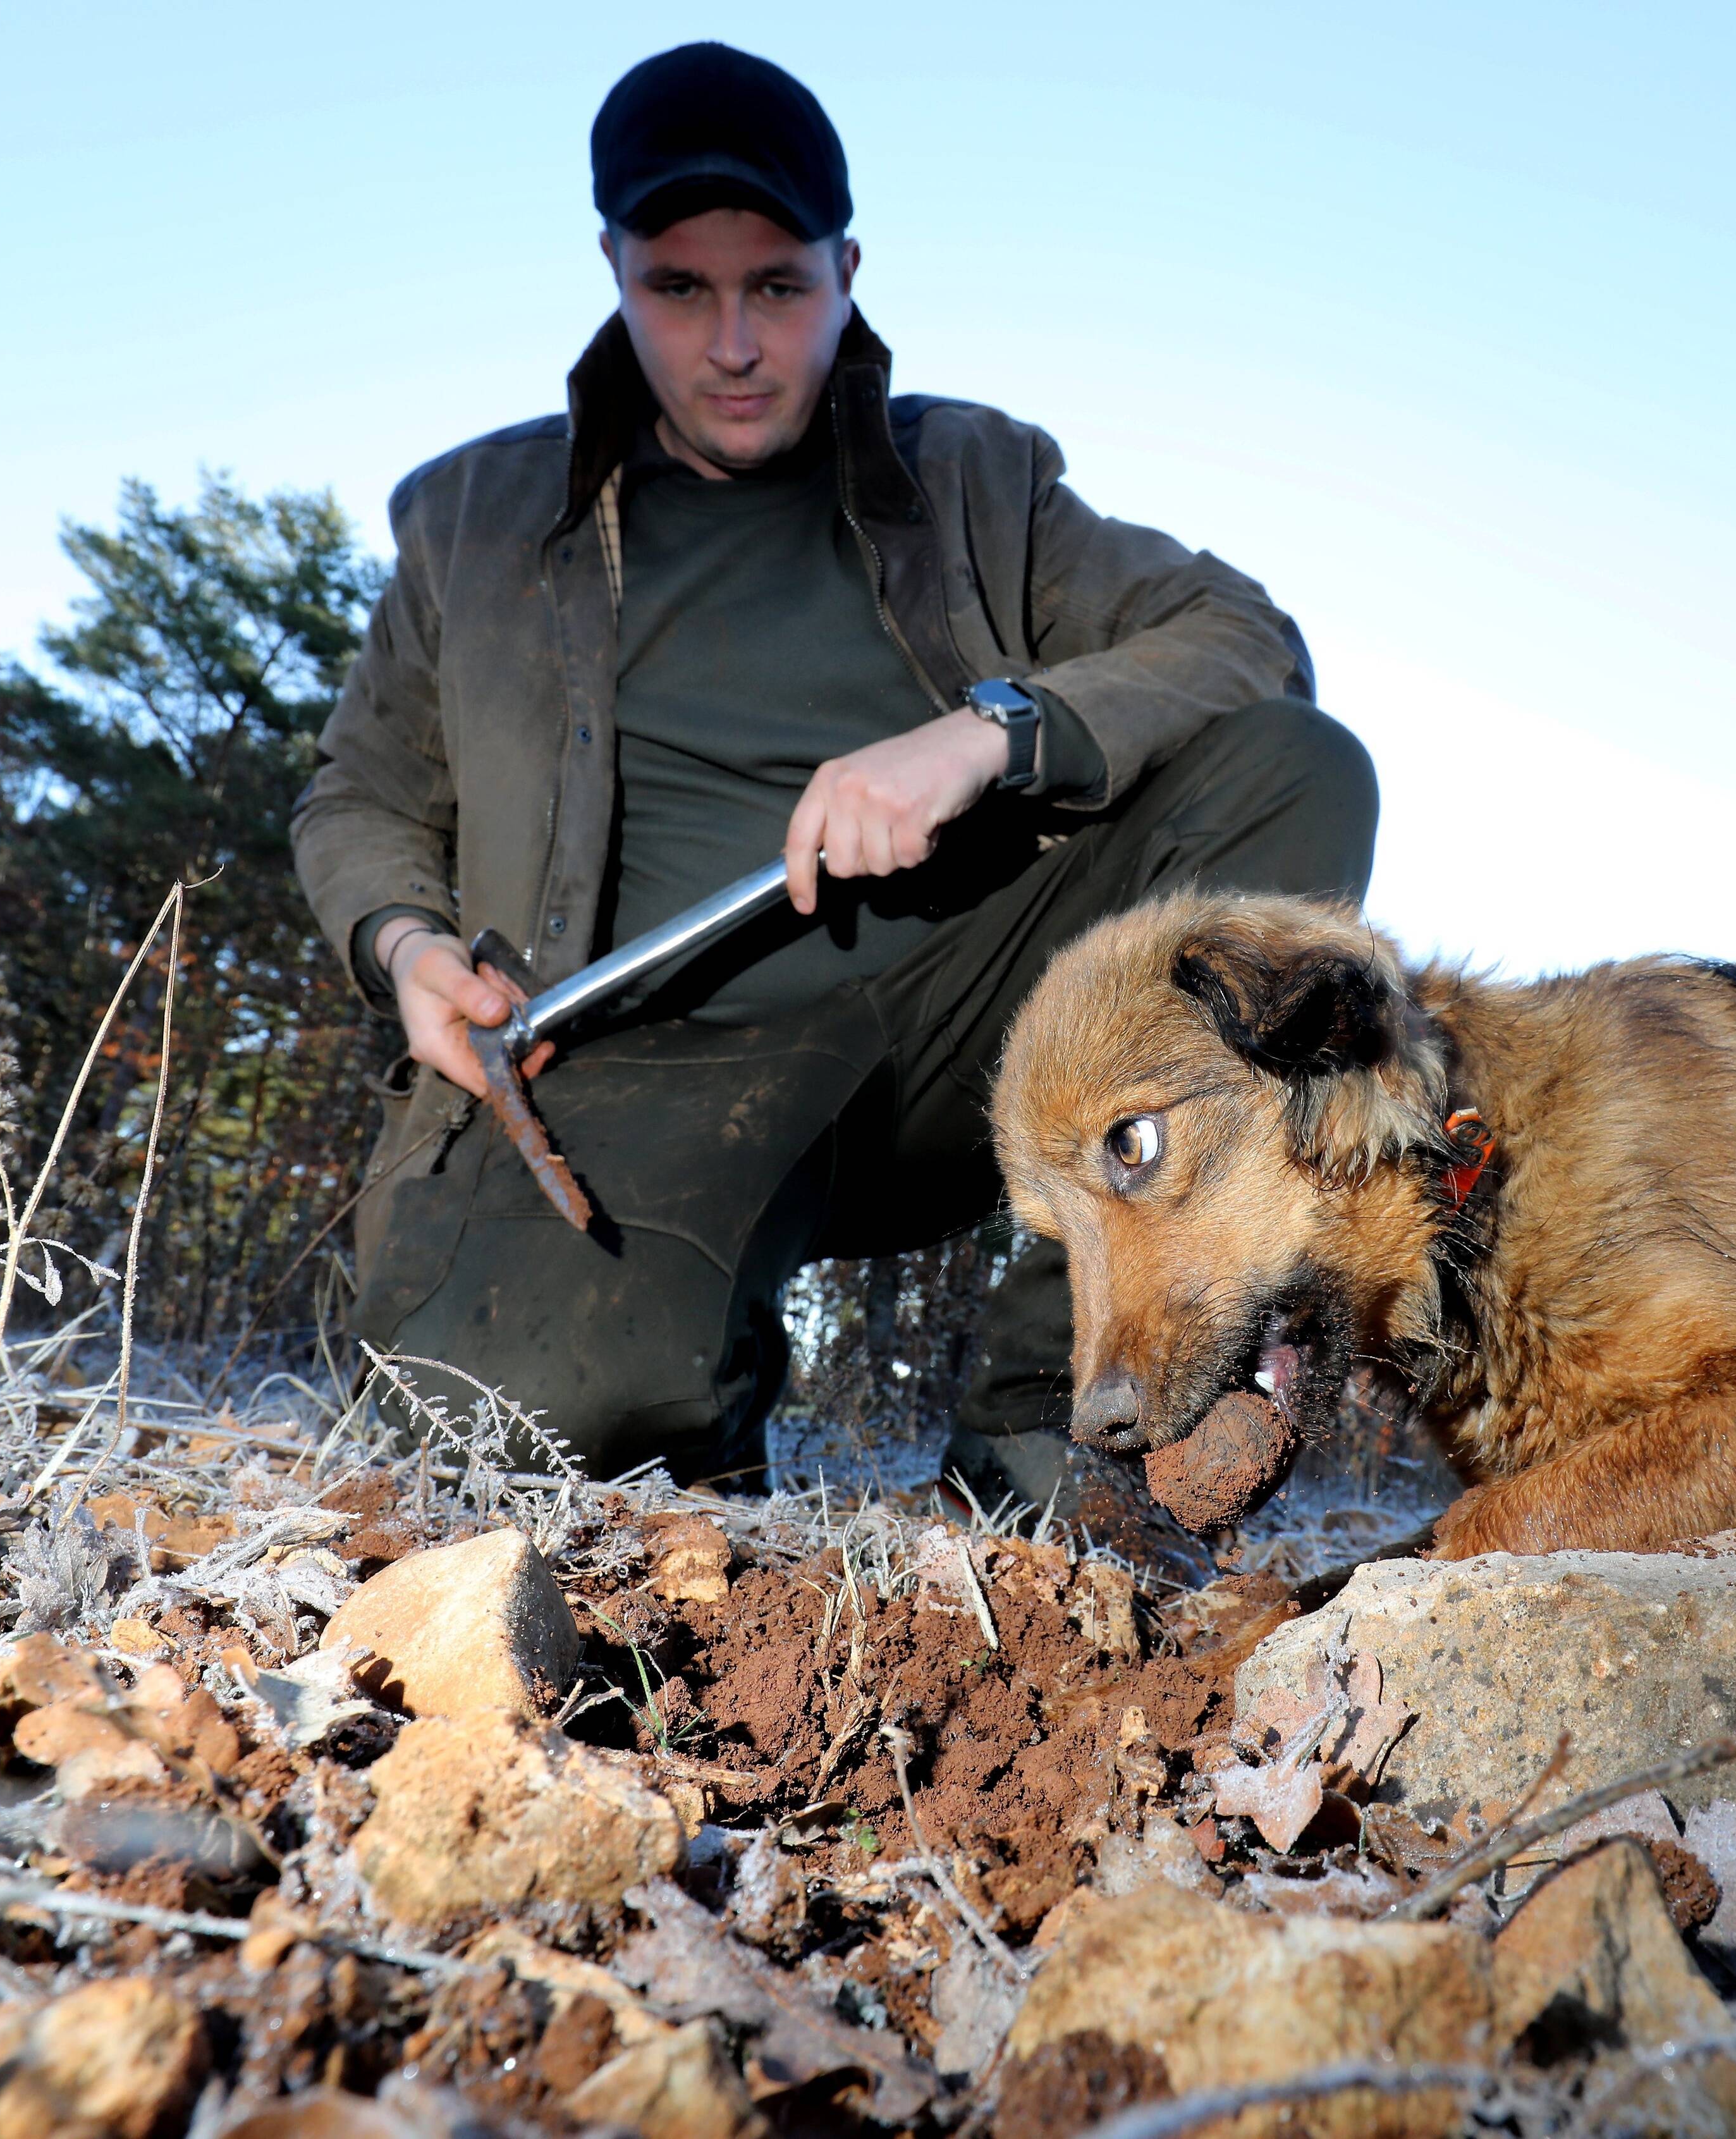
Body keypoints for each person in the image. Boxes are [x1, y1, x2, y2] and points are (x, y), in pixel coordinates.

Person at [292, 42, 1376, 1506]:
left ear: (847, 271)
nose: (734, 343)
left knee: (1292, 770)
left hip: (966, 1043)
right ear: (614, 269)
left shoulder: (980, 476)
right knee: (546, 1442)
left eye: (779, 287)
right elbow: (357, 799)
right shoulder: (471, 519)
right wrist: (405, 945)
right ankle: (688, 1378)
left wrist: (987, 731)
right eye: (680, 288)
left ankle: (1054, 1431)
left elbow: (1245, 639)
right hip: (635, 1068)